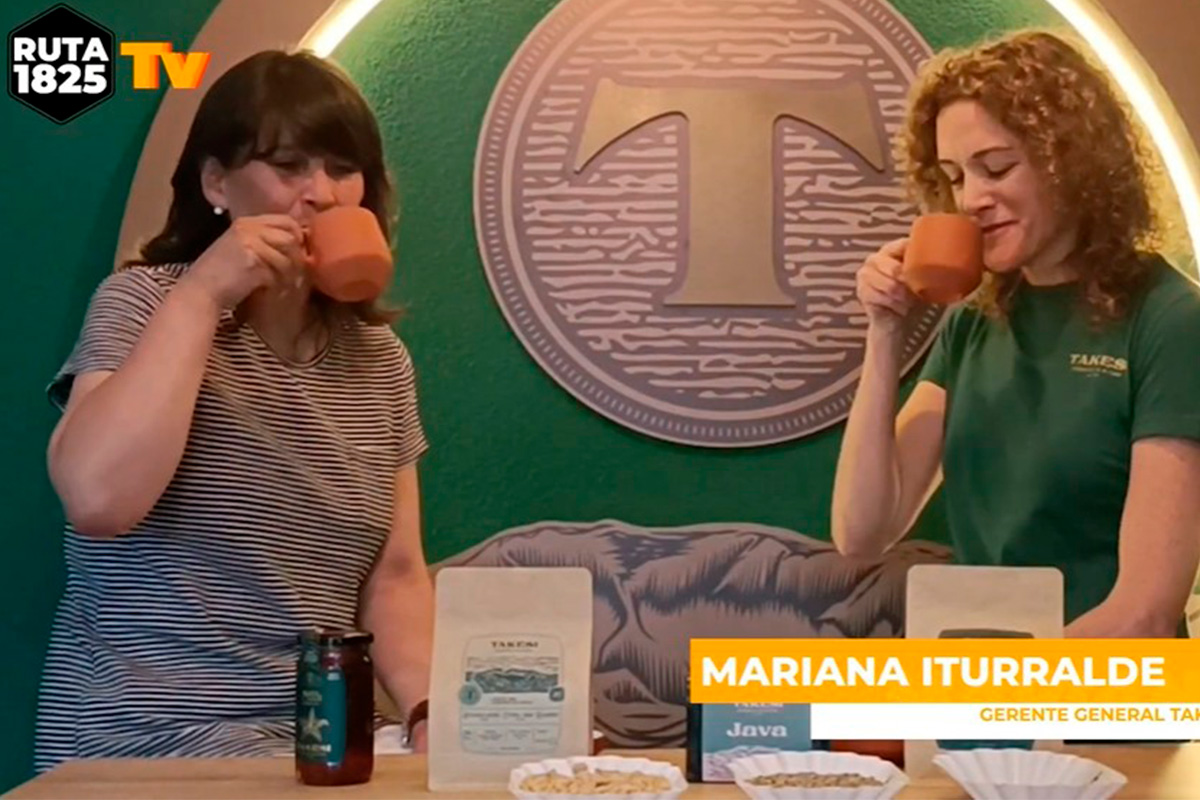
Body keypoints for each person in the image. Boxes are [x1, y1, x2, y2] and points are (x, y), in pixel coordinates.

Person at [36, 50, 433, 771]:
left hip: (319, 735)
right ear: (217, 182)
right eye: (289, 166)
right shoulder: (144, 302)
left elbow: (396, 577)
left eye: (343, 170)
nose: (322, 194)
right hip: (145, 738)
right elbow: (96, 500)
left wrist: (430, 715)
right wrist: (203, 293)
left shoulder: (380, 361)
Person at [831, 30, 1200, 637]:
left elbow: (1144, 614)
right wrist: (884, 331)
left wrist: (1000, 682)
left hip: (1113, 690)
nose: (972, 200)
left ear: (1073, 162)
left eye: (997, 167)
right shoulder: (973, 323)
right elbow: (861, 532)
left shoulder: (1170, 320)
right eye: (954, 177)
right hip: (992, 681)